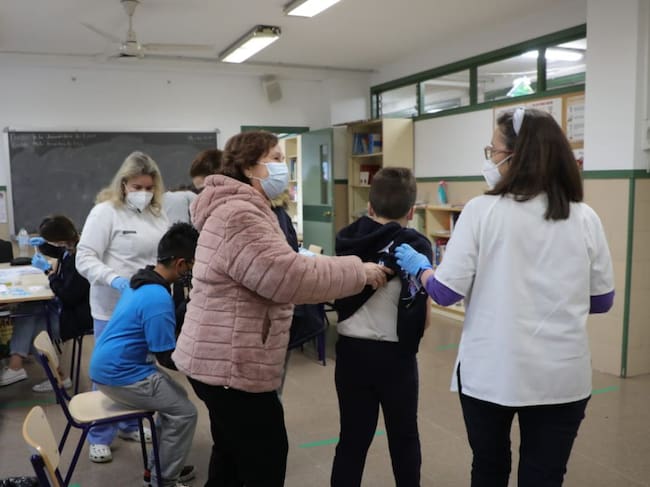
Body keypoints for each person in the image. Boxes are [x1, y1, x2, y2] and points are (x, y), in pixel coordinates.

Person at [395, 107, 615, 487]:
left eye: (493, 150)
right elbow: (601, 301)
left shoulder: (482, 211)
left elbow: (445, 292)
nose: (490, 159)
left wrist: (421, 268)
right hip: (562, 378)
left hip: (492, 374)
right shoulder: (584, 217)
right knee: (544, 476)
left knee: (489, 468)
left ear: (516, 156)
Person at [172, 131, 390, 487]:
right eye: (274, 158)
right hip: (231, 363)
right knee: (265, 459)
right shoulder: (239, 215)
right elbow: (288, 277)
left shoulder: (242, 209)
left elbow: (280, 265)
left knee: (231, 454)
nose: (282, 167)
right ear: (248, 167)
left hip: (221, 357)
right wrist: (358, 272)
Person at [331, 167, 432, 487]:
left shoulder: (348, 239)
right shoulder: (416, 246)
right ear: (411, 211)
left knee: (352, 440)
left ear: (369, 207)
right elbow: (424, 315)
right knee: (404, 438)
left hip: (351, 353)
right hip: (396, 356)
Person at [76, 151, 169, 463]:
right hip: (112, 308)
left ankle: (130, 424)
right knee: (109, 372)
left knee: (140, 370)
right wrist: (115, 280)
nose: (143, 193)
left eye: (149, 188)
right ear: (124, 184)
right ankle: (99, 434)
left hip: (147, 306)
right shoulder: (105, 212)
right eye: (137, 187)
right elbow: (84, 257)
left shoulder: (157, 215)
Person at [89, 222, 199, 487]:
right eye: (193, 265)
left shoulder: (142, 280)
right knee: (185, 413)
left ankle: (157, 467)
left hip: (111, 366)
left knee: (176, 399)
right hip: (122, 375)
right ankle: (164, 480)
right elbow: (165, 356)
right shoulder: (157, 298)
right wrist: (202, 366)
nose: (193, 271)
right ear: (181, 264)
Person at [0, 215, 92, 391]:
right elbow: (58, 252)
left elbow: (68, 296)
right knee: (30, 307)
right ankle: (21, 366)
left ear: (59, 239)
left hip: (75, 318)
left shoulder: (79, 258)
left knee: (37, 331)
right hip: (64, 307)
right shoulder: (69, 247)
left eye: (49, 240)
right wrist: (42, 244)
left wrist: (49, 272)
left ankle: (51, 374)